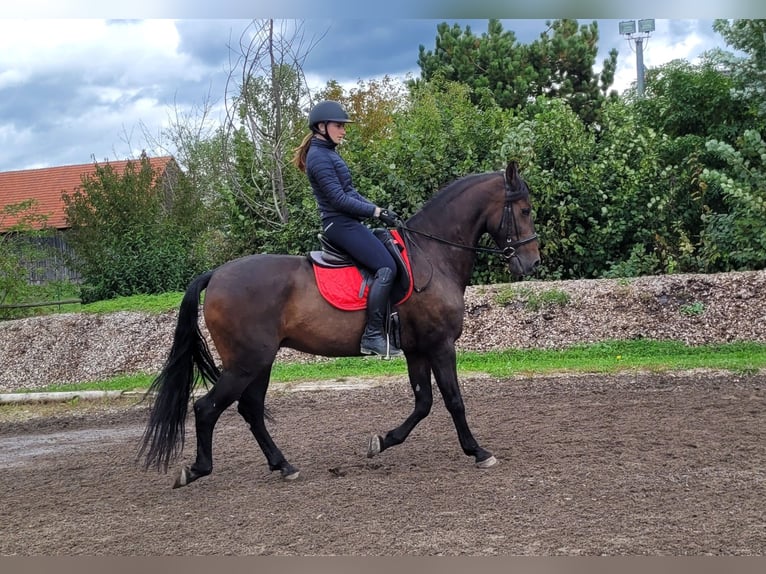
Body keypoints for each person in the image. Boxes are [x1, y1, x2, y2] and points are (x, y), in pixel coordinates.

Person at [292, 100, 403, 357]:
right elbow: (339, 200)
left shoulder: (329, 153)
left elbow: (350, 192)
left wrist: (380, 211)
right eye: (339, 126)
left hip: (347, 222)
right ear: (322, 126)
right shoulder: (319, 157)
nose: (343, 131)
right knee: (386, 267)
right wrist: (375, 212)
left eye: (343, 126)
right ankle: (373, 335)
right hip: (338, 225)